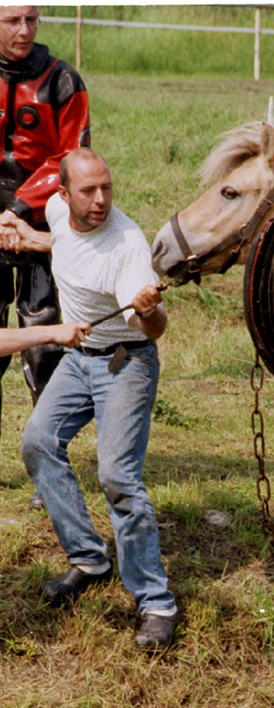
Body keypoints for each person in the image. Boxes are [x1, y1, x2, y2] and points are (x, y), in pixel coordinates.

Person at [20, 147, 179, 652]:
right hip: (79, 356)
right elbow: (65, 242)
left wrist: (151, 311)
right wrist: (30, 239)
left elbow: (154, 330)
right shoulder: (55, 214)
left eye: (107, 187)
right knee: (38, 444)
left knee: (117, 477)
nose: (101, 199)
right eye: (88, 191)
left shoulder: (128, 245)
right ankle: (89, 558)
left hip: (126, 361)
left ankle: (156, 602)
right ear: (62, 194)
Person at [0, 6, 90, 453]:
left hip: (41, 222)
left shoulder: (63, 81)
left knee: (45, 339)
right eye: (12, 21)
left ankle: (48, 455)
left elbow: (70, 158)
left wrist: (18, 207)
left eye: (31, 20)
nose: (24, 30)